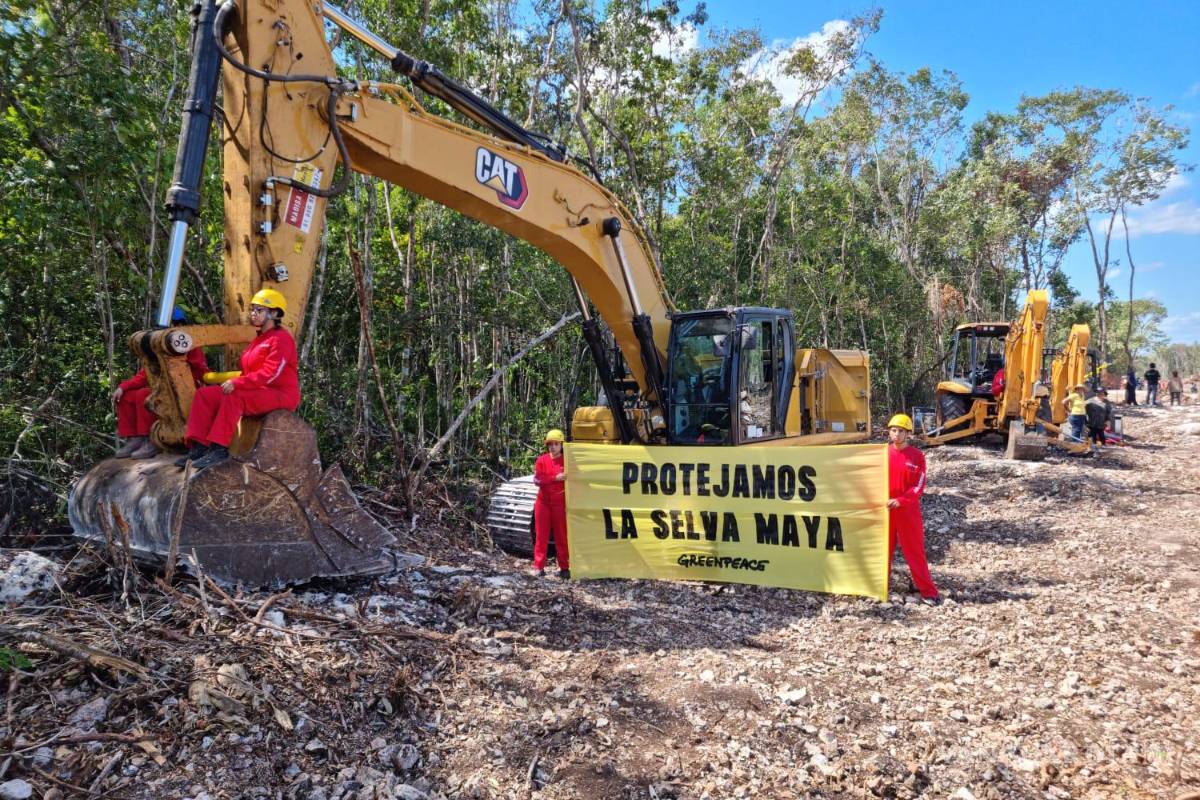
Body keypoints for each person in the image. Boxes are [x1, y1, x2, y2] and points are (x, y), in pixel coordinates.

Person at [178, 288, 300, 470]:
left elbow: (270, 374)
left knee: (235, 395)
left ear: (274, 313)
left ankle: (219, 449)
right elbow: (248, 371)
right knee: (205, 395)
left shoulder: (281, 339)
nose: (253, 314)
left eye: (259, 310)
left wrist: (238, 383)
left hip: (280, 394)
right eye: (252, 309)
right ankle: (199, 447)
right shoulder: (259, 339)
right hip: (257, 390)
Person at [112, 306, 208, 459]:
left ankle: (151, 439)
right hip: (164, 388)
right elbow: (144, 374)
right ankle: (135, 438)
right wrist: (123, 387)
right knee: (128, 396)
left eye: (175, 325)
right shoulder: (160, 346)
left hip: (183, 390)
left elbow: (200, 371)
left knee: (144, 395)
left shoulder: (189, 344)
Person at [885, 414, 940, 605]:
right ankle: (879, 588)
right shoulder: (881, 454)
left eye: (901, 431)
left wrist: (901, 500)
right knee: (882, 551)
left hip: (907, 512)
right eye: (894, 430)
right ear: (889, 432)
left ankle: (928, 592)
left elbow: (919, 485)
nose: (897, 434)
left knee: (915, 552)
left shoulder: (917, 456)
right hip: (885, 511)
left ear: (908, 434)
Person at [531, 428, 570, 579]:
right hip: (543, 504)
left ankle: (564, 568)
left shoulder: (568, 461)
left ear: (561, 445)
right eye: (550, 444)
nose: (552, 447)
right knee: (541, 536)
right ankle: (538, 566)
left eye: (556, 444)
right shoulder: (542, 460)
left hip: (560, 504)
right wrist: (555, 477)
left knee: (562, 536)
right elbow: (538, 480)